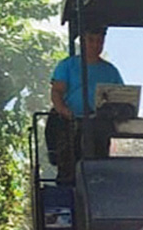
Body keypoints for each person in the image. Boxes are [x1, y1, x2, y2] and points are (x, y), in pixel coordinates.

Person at [48, 23, 124, 180]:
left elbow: (121, 97)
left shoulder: (110, 71)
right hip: (69, 123)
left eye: (100, 41)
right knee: (69, 166)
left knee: (99, 166)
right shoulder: (67, 65)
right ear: (82, 41)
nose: (96, 45)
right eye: (91, 40)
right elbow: (57, 92)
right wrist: (64, 110)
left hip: (98, 125)